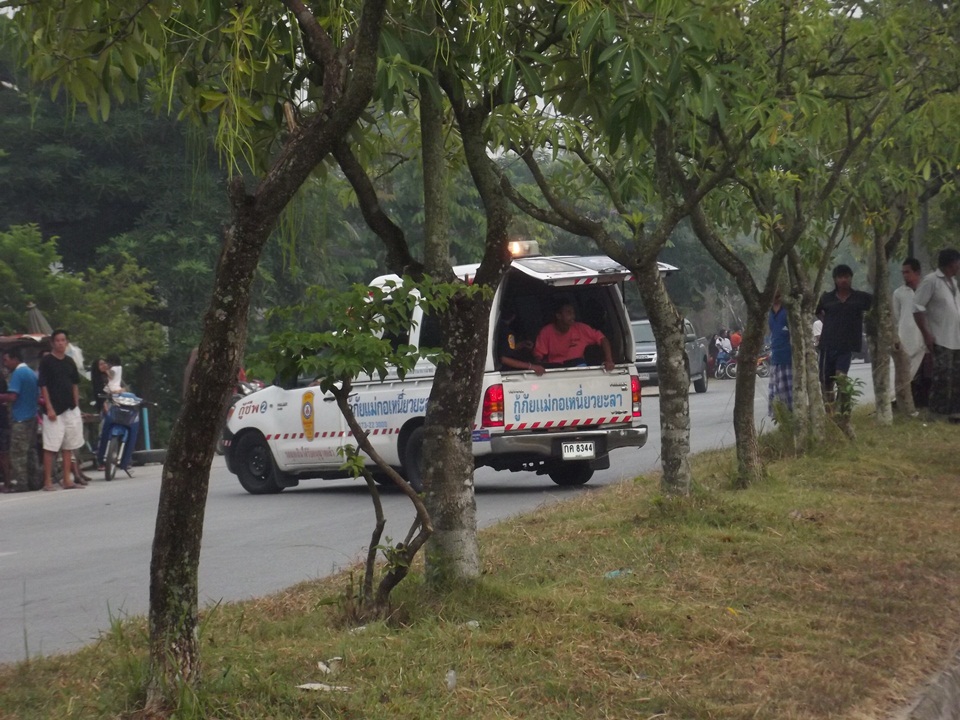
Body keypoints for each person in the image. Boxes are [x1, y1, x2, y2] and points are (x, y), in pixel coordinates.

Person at [912, 248, 960, 420]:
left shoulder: (953, 282)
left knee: (956, 377)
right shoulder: (932, 281)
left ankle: (954, 411)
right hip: (940, 337)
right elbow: (917, 307)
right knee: (942, 376)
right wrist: (926, 334)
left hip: (956, 338)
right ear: (951, 263)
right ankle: (936, 412)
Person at [815, 264, 873, 401]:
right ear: (835, 279)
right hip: (827, 345)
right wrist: (829, 323)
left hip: (846, 345)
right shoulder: (827, 298)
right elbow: (817, 311)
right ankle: (830, 410)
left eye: (846, 277)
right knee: (826, 382)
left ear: (851, 278)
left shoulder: (860, 298)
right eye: (840, 277)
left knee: (841, 378)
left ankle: (843, 408)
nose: (843, 280)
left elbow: (877, 306)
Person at [37, 329, 85, 490]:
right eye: (57, 340)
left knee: (68, 445)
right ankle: (48, 482)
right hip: (54, 410)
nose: (60, 343)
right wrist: (49, 407)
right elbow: (43, 385)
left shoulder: (69, 361)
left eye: (63, 340)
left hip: (69, 408)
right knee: (50, 446)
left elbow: (75, 384)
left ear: (66, 342)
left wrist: (76, 404)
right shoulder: (47, 361)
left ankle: (67, 479)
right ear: (52, 343)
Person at [0, 349, 41, 492]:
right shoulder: (31, 373)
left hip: (20, 418)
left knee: (17, 453)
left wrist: (2, 397)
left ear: (15, 359)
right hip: (32, 416)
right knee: (31, 450)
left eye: (6, 360)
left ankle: (21, 483)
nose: (5, 364)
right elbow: (37, 395)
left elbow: (13, 396)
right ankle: (34, 481)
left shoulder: (18, 373)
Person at [533, 300, 614, 371]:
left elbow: (603, 339)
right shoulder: (546, 331)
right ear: (558, 316)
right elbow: (538, 355)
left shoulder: (581, 328)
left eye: (573, 313)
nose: (573, 316)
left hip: (578, 368)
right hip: (556, 370)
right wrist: (539, 366)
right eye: (569, 313)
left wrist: (609, 360)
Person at [892, 258, 930, 410]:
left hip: (926, 337)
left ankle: (923, 403)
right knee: (906, 372)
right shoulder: (899, 293)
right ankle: (902, 403)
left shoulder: (927, 290)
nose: (905, 275)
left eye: (908, 272)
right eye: (903, 273)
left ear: (917, 272)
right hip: (907, 338)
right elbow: (896, 317)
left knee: (926, 372)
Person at [767, 290, 792, 417]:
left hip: (788, 359)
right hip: (775, 359)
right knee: (776, 395)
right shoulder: (770, 313)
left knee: (789, 395)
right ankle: (782, 420)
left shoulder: (788, 311)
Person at [498, 305, 543, 375]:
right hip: (505, 373)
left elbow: (504, 349)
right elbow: (504, 358)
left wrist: (521, 345)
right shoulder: (508, 333)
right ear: (514, 316)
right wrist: (531, 366)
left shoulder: (498, 328)